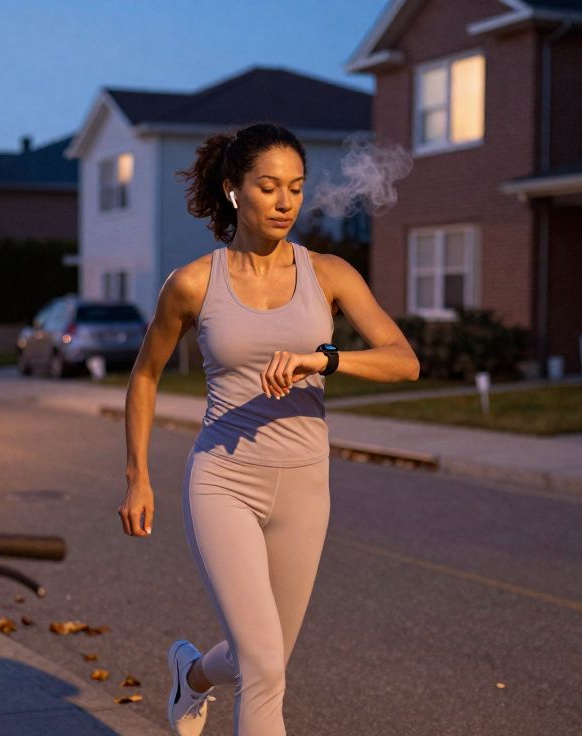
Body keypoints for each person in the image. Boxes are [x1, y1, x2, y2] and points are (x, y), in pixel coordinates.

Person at [117, 122, 419, 735]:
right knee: (263, 668)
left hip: (306, 485)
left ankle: (191, 676)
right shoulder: (194, 283)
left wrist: (325, 358)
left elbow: (404, 360)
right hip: (223, 481)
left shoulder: (329, 274)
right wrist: (137, 477)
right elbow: (145, 377)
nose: (284, 202)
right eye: (268, 187)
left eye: (296, 188)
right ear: (234, 191)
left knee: (267, 656)